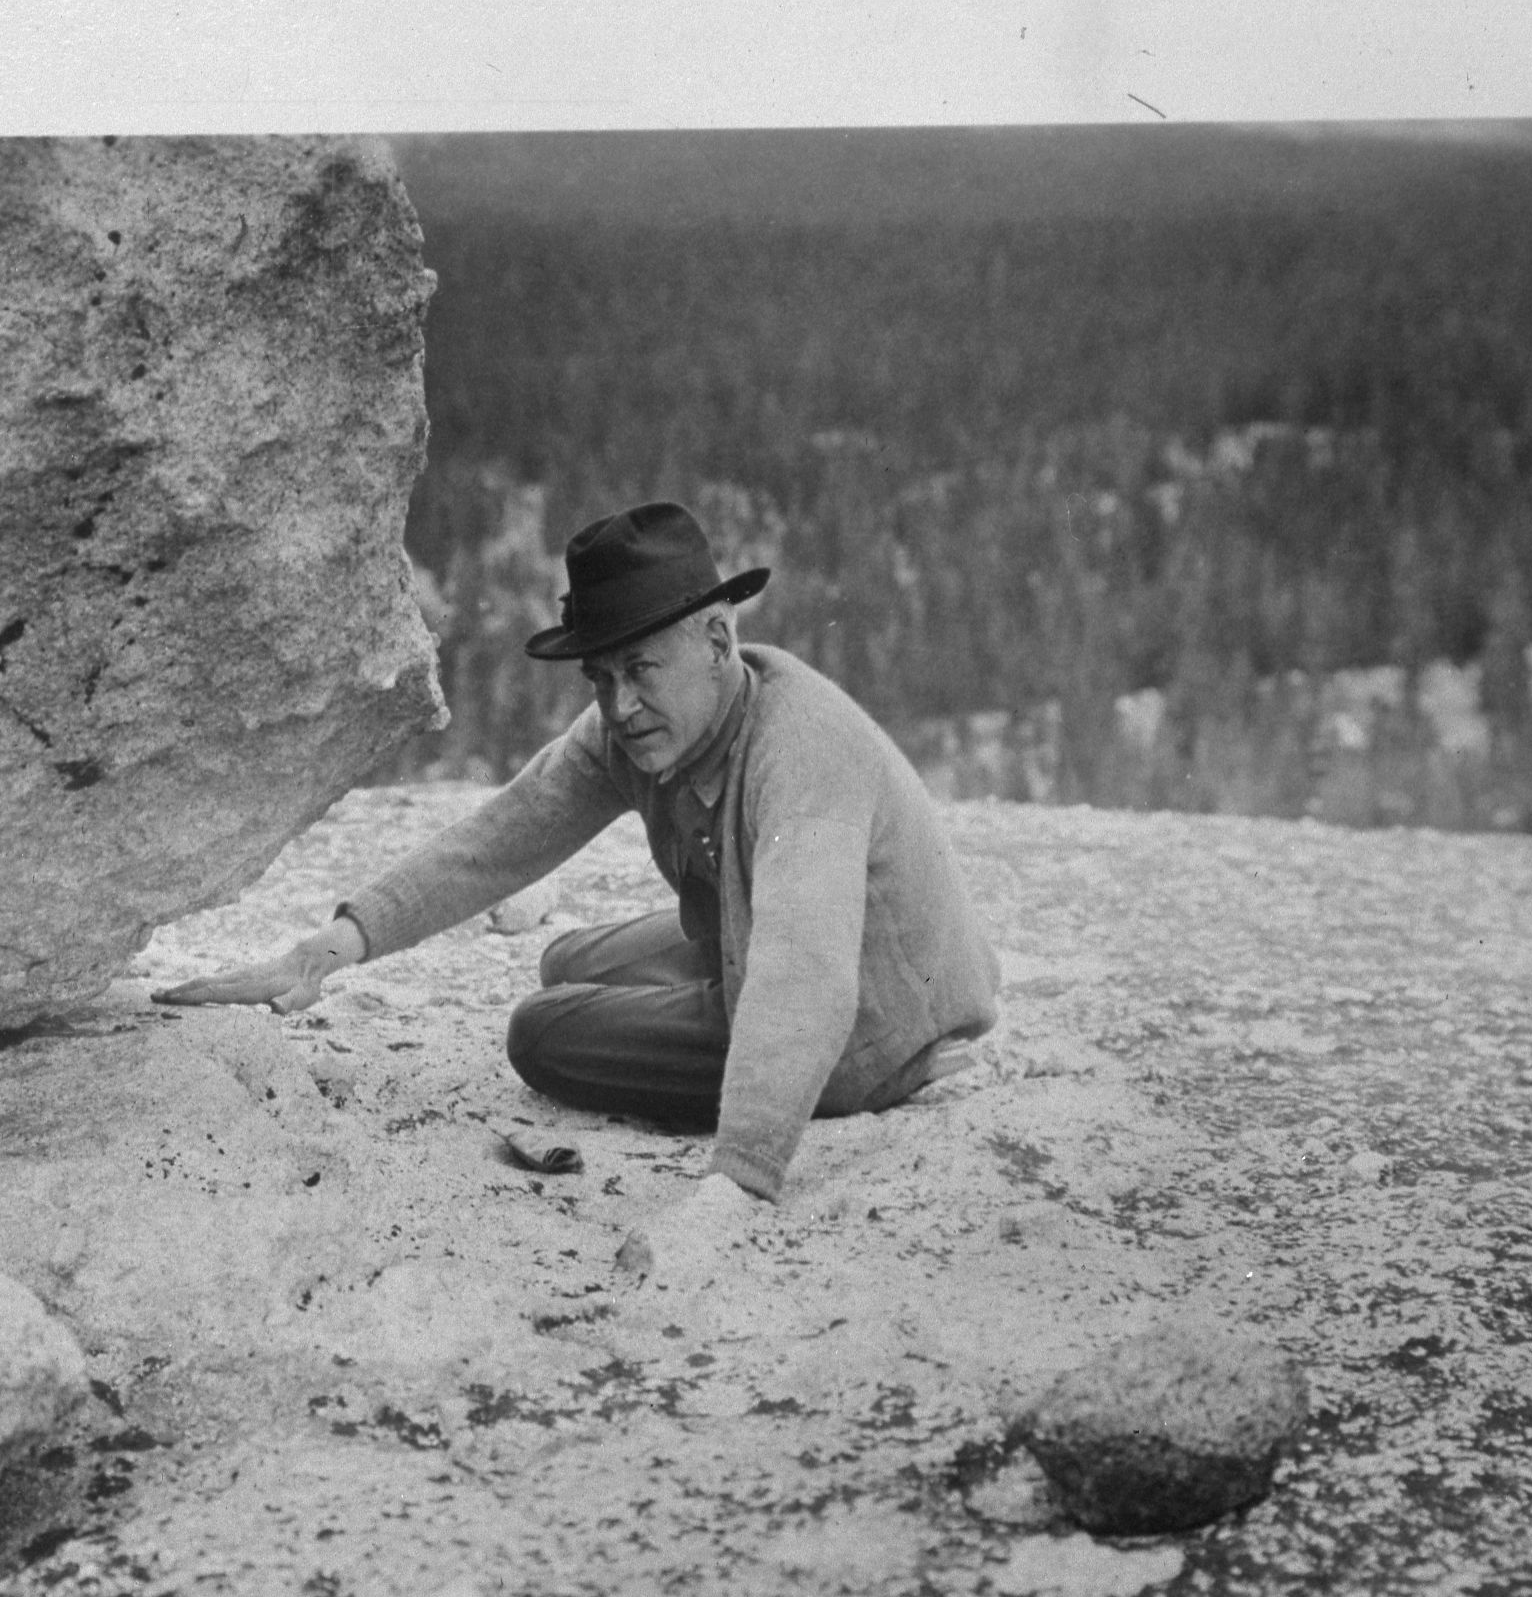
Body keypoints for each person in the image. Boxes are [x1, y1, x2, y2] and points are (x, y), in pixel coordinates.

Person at [155, 500, 999, 1276]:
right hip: (766, 943)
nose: (619, 704)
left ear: (716, 642)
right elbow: (499, 841)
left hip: (864, 1024)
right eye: (600, 678)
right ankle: (695, 994)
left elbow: (803, 970)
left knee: (542, 1031)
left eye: (639, 670)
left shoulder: (801, 750)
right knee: (564, 958)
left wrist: (736, 1186)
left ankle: (867, 1078)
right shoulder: (654, 725)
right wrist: (328, 948)